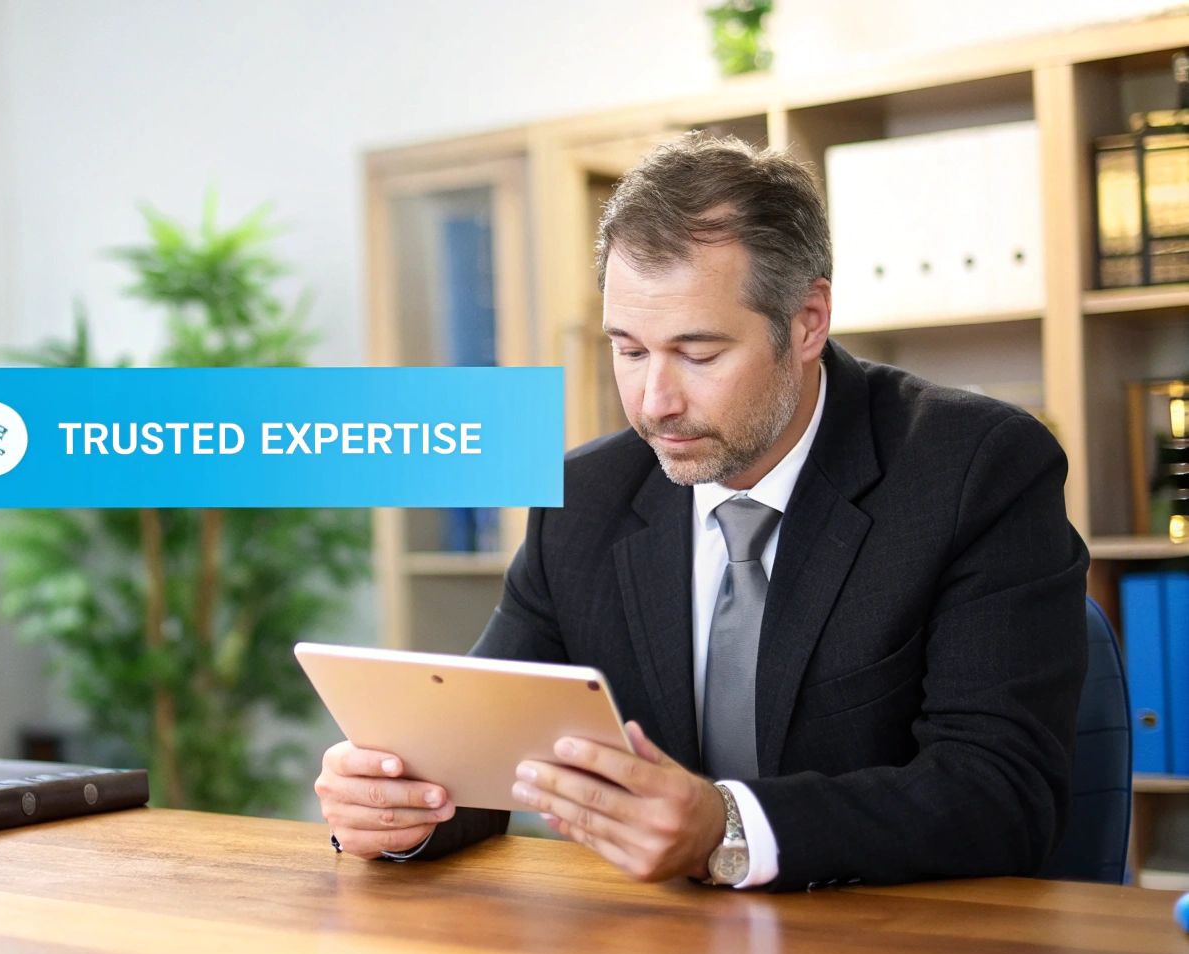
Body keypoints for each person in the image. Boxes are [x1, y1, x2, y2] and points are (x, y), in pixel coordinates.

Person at [314, 133, 1088, 891]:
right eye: (630, 349)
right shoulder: (585, 500)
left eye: (698, 353)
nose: (656, 402)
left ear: (807, 321)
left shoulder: (975, 468)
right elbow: (487, 754)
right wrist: (403, 805)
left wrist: (728, 828)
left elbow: (1003, 792)